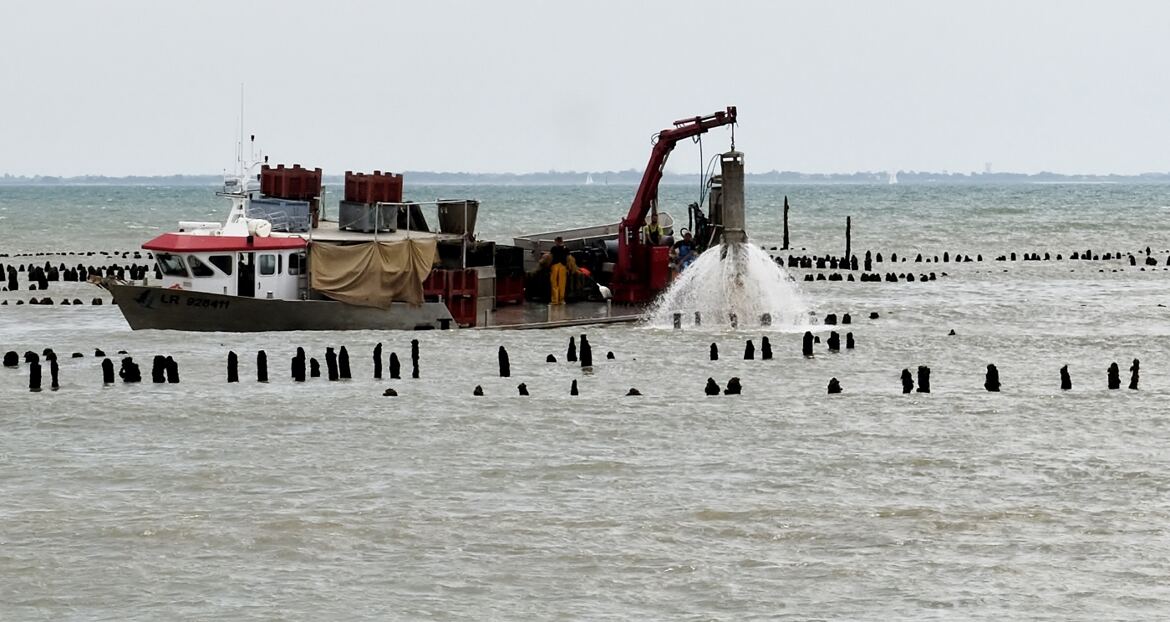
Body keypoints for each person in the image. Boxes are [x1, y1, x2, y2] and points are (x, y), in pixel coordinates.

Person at [549, 236, 569, 304]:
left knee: (554, 283)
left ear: (557, 241)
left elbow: (551, 257)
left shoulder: (554, 248)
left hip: (555, 265)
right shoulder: (566, 248)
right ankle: (561, 300)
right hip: (563, 265)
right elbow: (568, 258)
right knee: (562, 283)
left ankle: (555, 300)